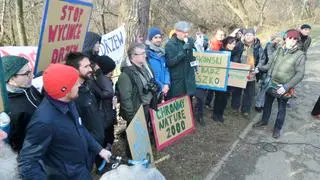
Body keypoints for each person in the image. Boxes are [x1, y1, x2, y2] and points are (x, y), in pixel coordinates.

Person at [18, 64, 111, 179]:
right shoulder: (44, 121)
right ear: (64, 89)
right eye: (75, 83)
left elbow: (80, 128)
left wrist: (99, 149)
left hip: (81, 169)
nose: (79, 85)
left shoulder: (69, 102)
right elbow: (27, 163)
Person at [253, 29, 306, 139]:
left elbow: (300, 74)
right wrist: (258, 69)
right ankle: (264, 121)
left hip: (284, 87)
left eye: (295, 39)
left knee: (281, 109)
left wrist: (286, 86)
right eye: (290, 38)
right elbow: (268, 65)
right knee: (267, 104)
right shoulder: (278, 50)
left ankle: (277, 129)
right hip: (271, 83)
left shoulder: (300, 55)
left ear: (297, 41)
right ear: (285, 38)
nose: (292, 40)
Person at [65, 52, 113, 169]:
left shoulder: (89, 84)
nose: (90, 69)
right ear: (74, 70)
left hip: (97, 143)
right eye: (86, 67)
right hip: (86, 148)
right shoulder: (73, 95)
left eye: (89, 65)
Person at [2, 56, 42, 152]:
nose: (32, 76)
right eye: (27, 73)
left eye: (30, 71)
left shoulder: (27, 87)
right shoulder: (9, 109)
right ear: (11, 79)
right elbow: (16, 144)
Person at [231, 28, 266, 119]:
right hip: (239, 72)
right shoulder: (239, 45)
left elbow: (262, 59)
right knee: (236, 91)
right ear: (244, 36)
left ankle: (245, 110)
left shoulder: (258, 46)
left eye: (250, 35)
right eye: (246, 35)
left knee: (249, 93)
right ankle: (235, 108)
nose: (248, 37)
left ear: (254, 36)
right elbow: (232, 54)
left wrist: (258, 68)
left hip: (252, 74)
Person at [165, 21, 197, 99]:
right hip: (178, 83)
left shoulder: (189, 42)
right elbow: (170, 63)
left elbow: (192, 58)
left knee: (189, 105)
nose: (186, 35)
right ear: (177, 32)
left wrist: (195, 60)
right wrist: (183, 51)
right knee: (179, 104)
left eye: (187, 32)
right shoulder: (170, 44)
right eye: (183, 32)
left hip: (189, 80)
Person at [212, 36, 237, 122]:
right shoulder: (221, 53)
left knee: (225, 98)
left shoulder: (236, 53)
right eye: (230, 43)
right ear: (226, 43)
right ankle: (215, 113)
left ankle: (221, 114)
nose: (232, 45)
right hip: (221, 78)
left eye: (234, 43)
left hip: (230, 79)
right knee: (218, 97)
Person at [255, 35, 282, 112]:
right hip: (266, 70)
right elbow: (270, 57)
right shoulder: (270, 46)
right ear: (273, 40)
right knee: (263, 88)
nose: (278, 42)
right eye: (277, 40)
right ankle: (258, 105)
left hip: (272, 71)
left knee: (266, 88)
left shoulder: (278, 47)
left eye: (279, 41)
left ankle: (262, 104)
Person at [146, 27, 170, 100]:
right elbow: (149, 74)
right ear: (151, 39)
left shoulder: (162, 53)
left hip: (165, 90)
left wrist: (166, 84)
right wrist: (161, 86)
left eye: (160, 37)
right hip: (153, 91)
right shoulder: (147, 54)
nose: (158, 40)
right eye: (155, 37)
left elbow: (166, 69)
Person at [206, 29, 226, 108]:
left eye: (222, 35)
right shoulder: (213, 42)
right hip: (212, 67)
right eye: (219, 34)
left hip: (218, 67)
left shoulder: (221, 43)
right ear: (216, 35)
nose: (221, 36)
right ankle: (207, 102)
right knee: (211, 87)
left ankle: (209, 102)